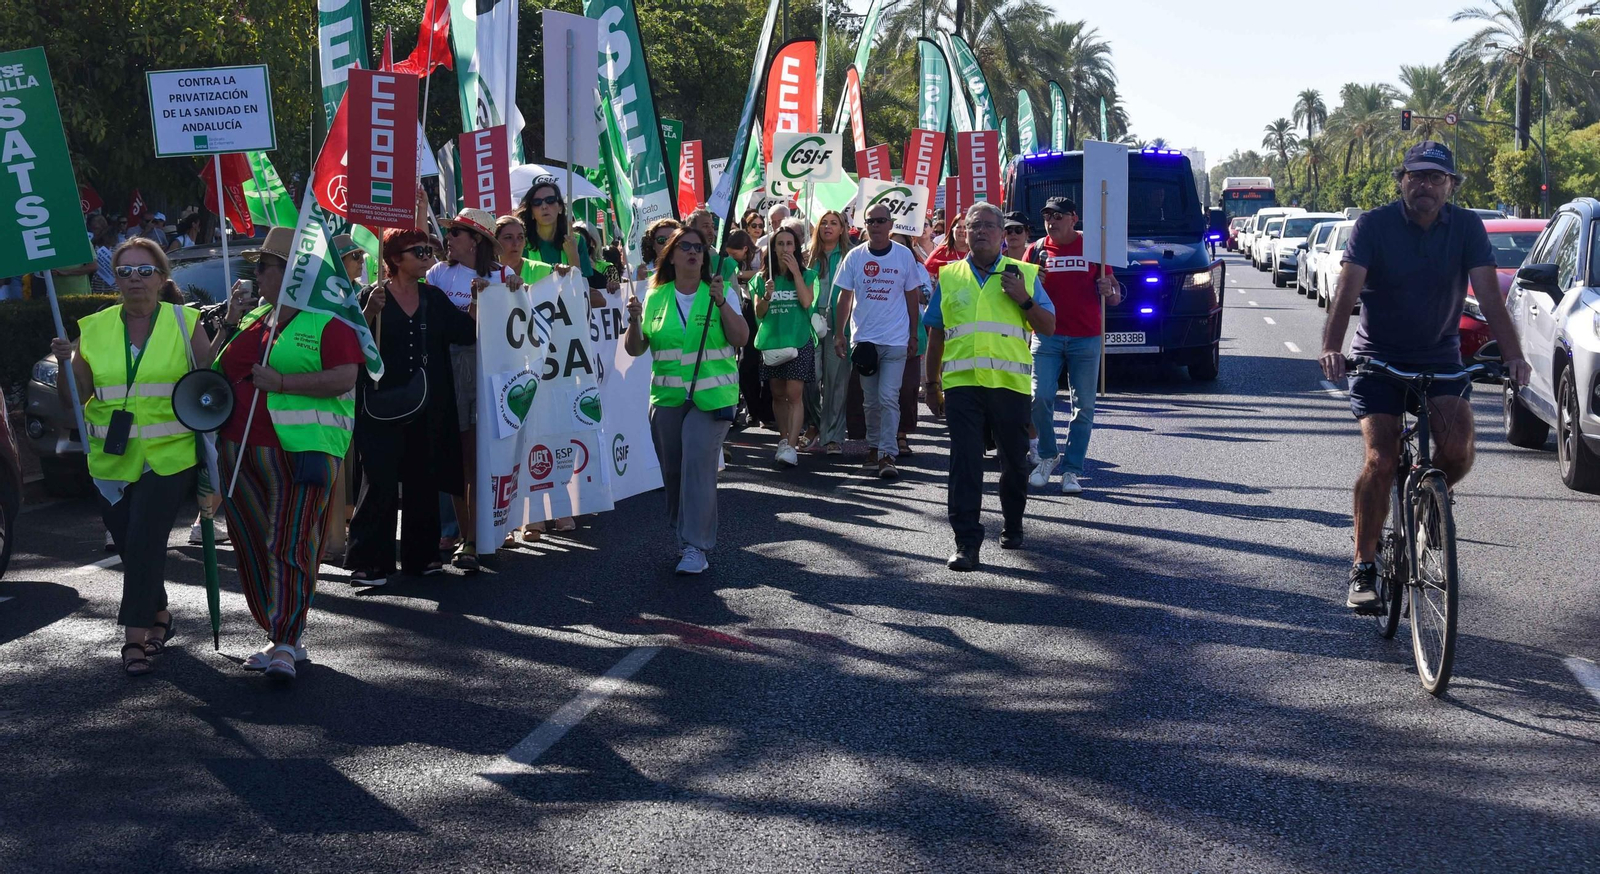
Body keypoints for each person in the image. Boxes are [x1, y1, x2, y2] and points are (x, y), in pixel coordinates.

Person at [1319, 141, 1530, 613]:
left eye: (1436, 178)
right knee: (1381, 457)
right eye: (1416, 176)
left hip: (1440, 358)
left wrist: (1514, 358)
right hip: (1378, 360)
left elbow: (1490, 299)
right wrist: (1332, 347)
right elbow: (1346, 291)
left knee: (1457, 450)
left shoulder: (1467, 227)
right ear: (1402, 181)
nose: (1425, 185)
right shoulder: (1373, 225)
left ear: (1451, 186)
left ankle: (1431, 499)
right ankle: (1364, 566)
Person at [50, 238, 211, 675]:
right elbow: (74, 397)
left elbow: (210, 393)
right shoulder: (94, 327)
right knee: (129, 544)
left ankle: (134, 639)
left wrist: (217, 463)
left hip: (169, 456)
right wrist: (66, 363)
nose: (135, 280)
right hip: (110, 460)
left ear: (161, 277)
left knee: (143, 539)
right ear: (113, 279)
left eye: (144, 271)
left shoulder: (186, 322)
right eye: (125, 272)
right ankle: (159, 612)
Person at [215, 227, 363, 680]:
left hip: (302, 454)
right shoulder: (255, 319)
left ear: (294, 272)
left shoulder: (328, 322)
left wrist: (282, 384)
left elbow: (344, 378)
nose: (255, 274)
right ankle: (283, 632)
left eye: (264, 266)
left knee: (290, 544)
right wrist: (228, 321)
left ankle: (283, 638)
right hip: (240, 454)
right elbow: (219, 373)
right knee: (253, 543)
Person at [924, 202, 1057, 571]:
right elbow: (935, 333)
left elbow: (1047, 326)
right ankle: (966, 542)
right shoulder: (949, 276)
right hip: (963, 386)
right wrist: (931, 383)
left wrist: (1024, 298)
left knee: (1014, 462)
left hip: (1009, 387)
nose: (980, 231)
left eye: (988, 226)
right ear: (963, 233)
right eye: (973, 226)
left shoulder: (1025, 274)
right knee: (964, 464)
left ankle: (1012, 523)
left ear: (1002, 234)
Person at [347, 229, 479, 584]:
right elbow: (349, 342)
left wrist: (479, 302)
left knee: (424, 478)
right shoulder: (371, 295)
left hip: (428, 403)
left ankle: (422, 557)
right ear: (394, 259)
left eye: (428, 250)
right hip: (380, 404)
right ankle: (370, 560)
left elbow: (465, 333)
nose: (426, 256)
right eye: (417, 251)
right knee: (379, 481)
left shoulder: (433, 297)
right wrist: (366, 311)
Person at [624, 227, 749, 574]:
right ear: (672, 255)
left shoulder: (718, 291)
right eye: (686, 247)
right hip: (667, 398)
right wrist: (633, 323)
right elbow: (636, 348)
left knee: (697, 464)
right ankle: (684, 537)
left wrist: (722, 302)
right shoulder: (655, 296)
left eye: (699, 247)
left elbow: (741, 337)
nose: (694, 252)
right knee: (675, 470)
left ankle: (697, 546)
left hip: (711, 400)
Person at [425, 207, 519, 570]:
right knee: (458, 456)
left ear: (475, 240)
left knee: (480, 456)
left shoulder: (503, 274)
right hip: (450, 368)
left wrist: (513, 291)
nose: (448, 239)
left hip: (491, 371)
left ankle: (477, 536)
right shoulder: (437, 273)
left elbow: (519, 320)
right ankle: (468, 536)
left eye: (457, 233)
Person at [1025, 197, 1124, 495]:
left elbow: (1115, 293)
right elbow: (1019, 294)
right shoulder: (1036, 250)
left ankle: (1072, 470)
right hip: (1047, 335)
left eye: (1057, 216)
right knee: (1039, 398)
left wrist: (1109, 290)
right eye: (1046, 217)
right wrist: (1032, 282)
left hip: (1086, 336)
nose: (1051, 222)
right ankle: (1048, 454)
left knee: (1083, 407)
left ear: (1073, 218)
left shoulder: (1094, 248)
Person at [833, 203, 926, 479]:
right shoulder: (854, 256)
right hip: (864, 341)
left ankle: (887, 453)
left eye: (881, 221)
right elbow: (844, 296)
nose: (875, 226)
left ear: (891, 224)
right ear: (865, 225)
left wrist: (912, 334)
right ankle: (873, 448)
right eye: (870, 221)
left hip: (896, 339)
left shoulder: (904, 256)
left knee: (888, 397)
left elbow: (912, 295)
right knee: (870, 401)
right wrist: (839, 333)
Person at [751, 224, 817, 467]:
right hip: (772, 342)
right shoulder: (762, 278)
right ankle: (782, 438)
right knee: (778, 394)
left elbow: (807, 301)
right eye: (780, 244)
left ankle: (791, 444)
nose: (785, 248)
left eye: (789, 244)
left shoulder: (807, 274)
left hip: (799, 341)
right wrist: (767, 295)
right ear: (773, 248)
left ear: (796, 248)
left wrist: (797, 274)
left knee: (794, 394)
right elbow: (759, 312)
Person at [808, 211, 854, 454]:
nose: (828, 227)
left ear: (842, 229)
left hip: (840, 325)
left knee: (836, 383)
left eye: (833, 223)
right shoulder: (808, 255)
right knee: (809, 380)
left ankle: (833, 436)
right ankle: (816, 424)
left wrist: (843, 330)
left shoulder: (850, 255)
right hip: (810, 324)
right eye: (823, 222)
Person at [637, 217, 682, 281]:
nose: (667, 243)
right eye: (661, 240)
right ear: (653, 245)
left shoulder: (688, 267)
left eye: (672, 239)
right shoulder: (640, 272)